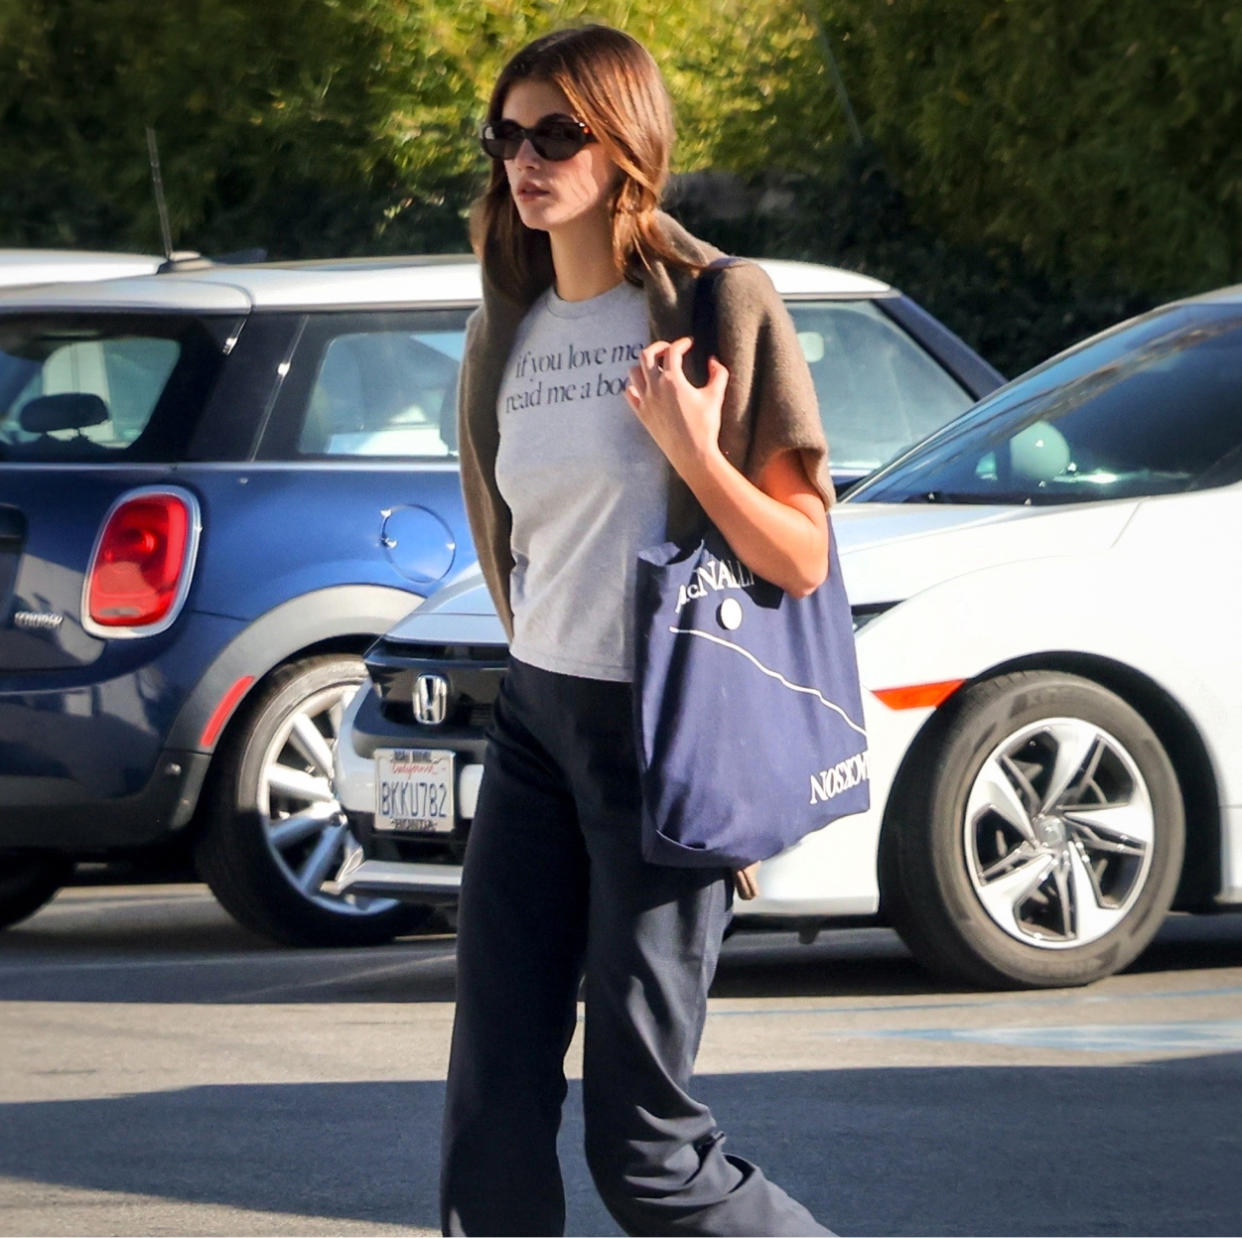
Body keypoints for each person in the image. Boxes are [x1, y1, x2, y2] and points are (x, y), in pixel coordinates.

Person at [442, 23, 835, 1238]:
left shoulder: (719, 302)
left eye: (559, 131)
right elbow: (523, 542)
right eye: (508, 134)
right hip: (535, 721)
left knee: (645, 1145)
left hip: (659, 739)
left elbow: (804, 555)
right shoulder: (502, 325)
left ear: (627, 144)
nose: (527, 156)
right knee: (490, 1109)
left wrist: (694, 453)